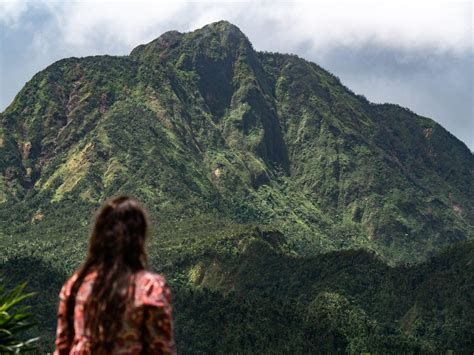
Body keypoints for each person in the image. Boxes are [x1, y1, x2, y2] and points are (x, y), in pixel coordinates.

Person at [54, 196, 176, 354]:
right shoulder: (150, 289)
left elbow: (62, 347)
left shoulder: (76, 285)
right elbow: (161, 349)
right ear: (139, 239)